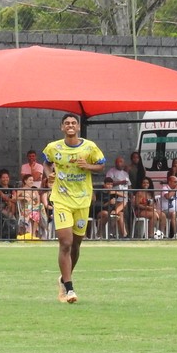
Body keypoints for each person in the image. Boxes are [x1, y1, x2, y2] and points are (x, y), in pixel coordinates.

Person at [42, 113, 105, 303]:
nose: (70, 126)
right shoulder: (54, 147)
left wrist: (88, 166)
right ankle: (69, 289)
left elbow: (101, 165)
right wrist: (49, 174)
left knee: (76, 245)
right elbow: (46, 162)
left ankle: (64, 278)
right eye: (67, 123)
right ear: (62, 127)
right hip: (61, 199)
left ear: (77, 127)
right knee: (66, 242)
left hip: (82, 201)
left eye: (73, 123)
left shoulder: (89, 147)